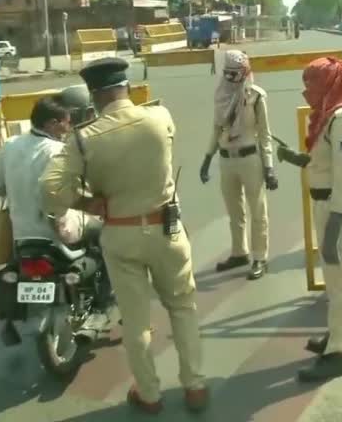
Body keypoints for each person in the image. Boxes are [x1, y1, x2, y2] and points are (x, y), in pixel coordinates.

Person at [40, 57, 207, 415]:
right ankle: (195, 386)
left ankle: (149, 394)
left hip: (121, 232)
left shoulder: (83, 139)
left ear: (94, 95)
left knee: (135, 321)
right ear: (126, 86)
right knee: (182, 307)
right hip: (167, 228)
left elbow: (50, 189)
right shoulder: (159, 117)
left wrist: (87, 202)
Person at [276, 57, 342, 382]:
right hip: (326, 206)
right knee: (335, 280)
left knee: (340, 282)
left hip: (337, 211)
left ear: (327, 84)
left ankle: (339, 352)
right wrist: (296, 158)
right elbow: (325, 164)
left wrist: (335, 226)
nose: (304, 91)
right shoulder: (330, 116)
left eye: (309, 83)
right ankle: (339, 332)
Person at [201, 49, 278, 280]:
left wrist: (269, 167)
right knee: (234, 212)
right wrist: (207, 158)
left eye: (236, 73)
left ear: (245, 72)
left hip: (250, 159)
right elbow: (216, 128)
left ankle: (259, 257)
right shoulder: (220, 94)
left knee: (258, 211)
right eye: (228, 73)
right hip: (226, 159)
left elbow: (265, 135)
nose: (231, 77)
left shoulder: (255, 96)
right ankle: (239, 252)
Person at [0, 95, 92, 248]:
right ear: (53, 123)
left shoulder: (10, 145)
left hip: (20, 235)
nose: (69, 127)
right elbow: (80, 189)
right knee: (100, 230)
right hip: (56, 235)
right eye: (67, 122)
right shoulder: (59, 150)